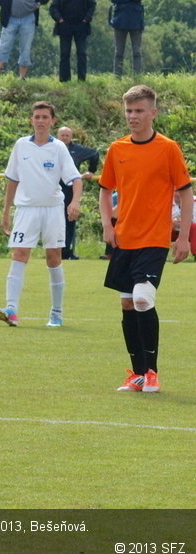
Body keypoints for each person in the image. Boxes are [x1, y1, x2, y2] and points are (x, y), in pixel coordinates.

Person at [98, 85, 192, 393]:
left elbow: (185, 191)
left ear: (153, 113)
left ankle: (152, 372)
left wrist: (183, 238)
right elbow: (104, 189)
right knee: (127, 304)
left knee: (141, 298)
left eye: (139, 111)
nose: (133, 116)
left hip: (154, 239)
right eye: (129, 111)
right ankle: (137, 374)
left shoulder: (168, 148)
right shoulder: (117, 149)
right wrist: (107, 226)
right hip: (124, 239)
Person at [0, 101, 82, 328]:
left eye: (45, 117)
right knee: (20, 253)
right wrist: (6, 211)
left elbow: (76, 179)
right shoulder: (21, 145)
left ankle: (56, 312)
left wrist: (75, 201)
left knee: (53, 257)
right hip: (26, 209)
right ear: (31, 120)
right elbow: (12, 179)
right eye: (37, 116)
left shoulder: (59, 148)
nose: (41, 121)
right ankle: (11, 309)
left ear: (52, 121)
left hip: (52, 209)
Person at [55, 125, 98, 259]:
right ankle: (53, 250)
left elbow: (94, 154)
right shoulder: (50, 147)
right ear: (57, 136)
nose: (64, 138)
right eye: (62, 135)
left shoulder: (77, 150)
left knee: (69, 219)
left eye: (67, 135)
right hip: (52, 187)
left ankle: (66, 251)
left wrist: (91, 171)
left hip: (69, 188)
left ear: (71, 137)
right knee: (53, 219)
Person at [0, 0, 49, 81]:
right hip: (10, 17)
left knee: (25, 49)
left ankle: (22, 78)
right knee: (3, 47)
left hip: (28, 17)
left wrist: (39, 3)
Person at [49, 0, 95, 82]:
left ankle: (82, 79)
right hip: (65, 25)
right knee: (64, 53)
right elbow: (53, 7)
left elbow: (92, 5)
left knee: (82, 53)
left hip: (81, 25)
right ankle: (64, 80)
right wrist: (59, 19)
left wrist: (86, 19)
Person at [109, 0, 142, 76]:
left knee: (137, 51)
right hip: (120, 19)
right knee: (118, 52)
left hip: (135, 19)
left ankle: (137, 76)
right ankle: (117, 76)